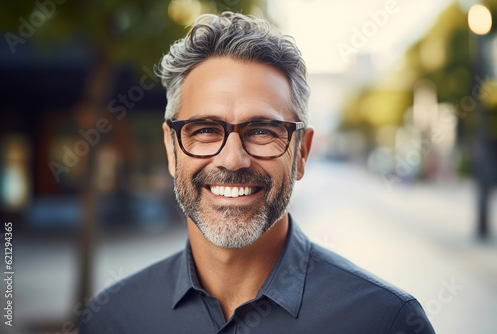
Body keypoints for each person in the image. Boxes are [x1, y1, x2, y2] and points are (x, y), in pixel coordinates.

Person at [79, 12, 435, 334]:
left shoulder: (385, 322)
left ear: (301, 153)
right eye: (204, 129)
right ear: (172, 148)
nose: (233, 160)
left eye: (263, 131)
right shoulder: (113, 320)